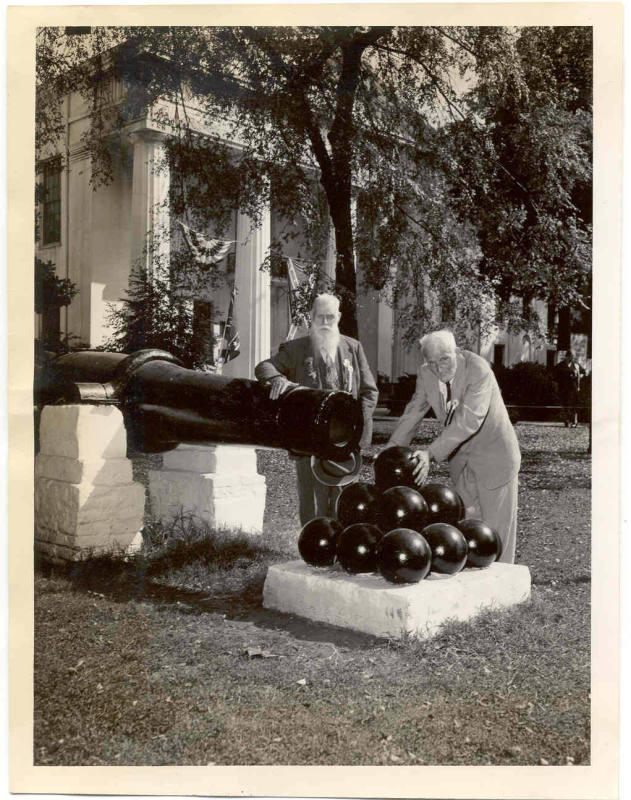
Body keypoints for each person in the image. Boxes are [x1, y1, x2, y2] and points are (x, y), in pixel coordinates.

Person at [383, 329, 521, 563]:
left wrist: (430, 453)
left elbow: (469, 420)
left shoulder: (478, 369)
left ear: (456, 352)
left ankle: (502, 589)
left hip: (495, 458)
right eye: (432, 362)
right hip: (460, 460)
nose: (439, 368)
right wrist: (390, 451)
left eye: (444, 359)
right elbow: (413, 412)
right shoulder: (426, 373)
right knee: (467, 527)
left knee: (496, 531)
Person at [255, 294, 378, 525]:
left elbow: (369, 391)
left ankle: (341, 547)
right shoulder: (296, 348)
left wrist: (358, 425)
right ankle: (314, 548)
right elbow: (265, 367)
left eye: (330, 317)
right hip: (309, 440)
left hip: (345, 442)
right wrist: (277, 378)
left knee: (344, 499)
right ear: (311, 317)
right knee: (312, 500)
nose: (325, 322)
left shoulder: (353, 347)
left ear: (339, 317)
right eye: (319, 316)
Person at [554, 352, 585, 427]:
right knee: (565, 405)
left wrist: (580, 376)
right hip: (564, 389)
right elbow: (555, 375)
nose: (572, 358)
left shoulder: (576, 365)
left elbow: (583, 372)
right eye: (570, 357)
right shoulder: (560, 366)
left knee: (574, 404)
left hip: (574, 388)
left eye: (573, 357)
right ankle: (567, 421)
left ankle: (574, 421)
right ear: (566, 357)